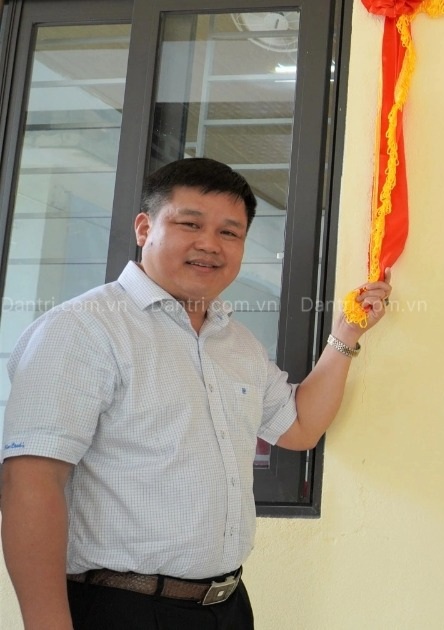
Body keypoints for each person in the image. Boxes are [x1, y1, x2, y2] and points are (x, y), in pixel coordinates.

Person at [0, 157, 392, 629]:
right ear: (145, 228)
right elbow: (31, 483)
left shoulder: (235, 341)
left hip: (226, 606)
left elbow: (300, 427)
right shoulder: (82, 330)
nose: (210, 244)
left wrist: (346, 333)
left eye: (230, 233)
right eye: (190, 224)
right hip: (120, 609)